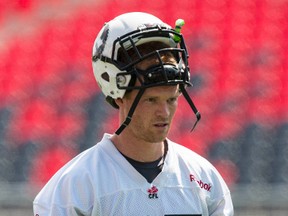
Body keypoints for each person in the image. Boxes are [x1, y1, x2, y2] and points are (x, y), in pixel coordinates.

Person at [33, 12, 234, 216]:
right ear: (118, 94)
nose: (164, 112)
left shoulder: (205, 179)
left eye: (171, 99)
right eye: (151, 100)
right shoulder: (75, 187)